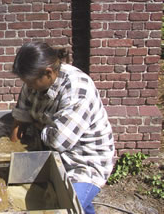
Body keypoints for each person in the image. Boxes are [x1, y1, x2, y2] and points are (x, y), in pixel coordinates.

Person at [10, 41, 115, 214]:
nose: (28, 86)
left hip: (84, 161)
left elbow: (58, 141)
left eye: (30, 82)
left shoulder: (77, 89)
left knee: (65, 207)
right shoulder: (33, 79)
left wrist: (38, 125)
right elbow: (21, 115)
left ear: (49, 73)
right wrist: (12, 156)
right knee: (80, 206)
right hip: (55, 153)